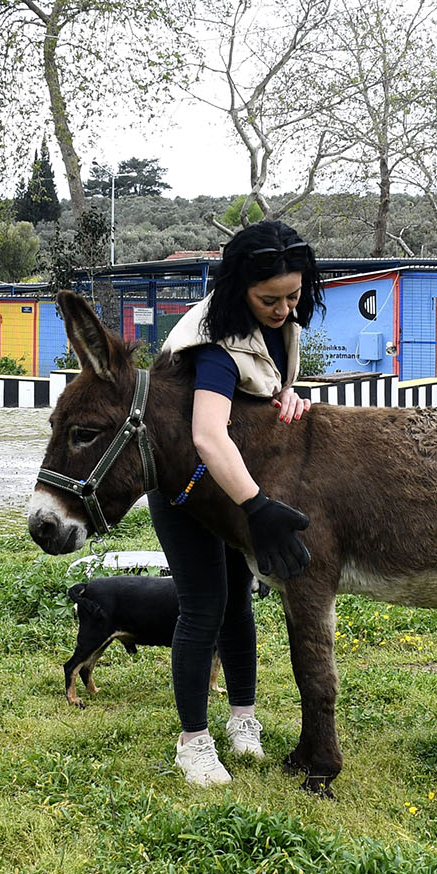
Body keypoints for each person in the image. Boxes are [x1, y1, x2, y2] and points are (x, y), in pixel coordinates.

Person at [149, 220, 324, 787]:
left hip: (230, 485)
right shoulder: (215, 341)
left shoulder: (280, 323)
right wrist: (258, 507)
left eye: (294, 296)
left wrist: (288, 391)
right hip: (190, 484)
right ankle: (193, 741)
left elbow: (266, 384)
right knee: (204, 604)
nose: (283, 309)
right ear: (237, 290)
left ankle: (242, 719)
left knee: (239, 604)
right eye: (269, 299)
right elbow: (207, 434)